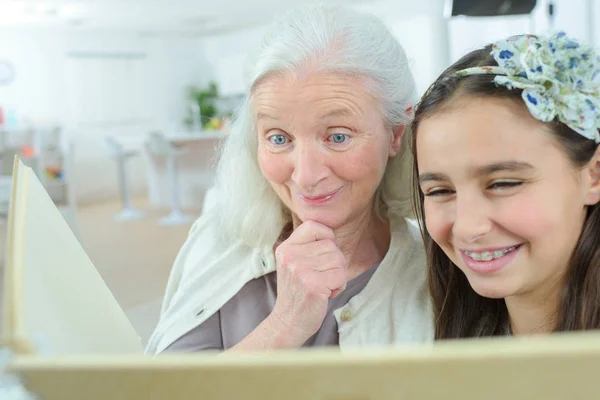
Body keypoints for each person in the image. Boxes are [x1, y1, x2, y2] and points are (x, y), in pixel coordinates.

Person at [145, 5, 433, 354]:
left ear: (396, 134)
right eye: (279, 138)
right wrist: (284, 326)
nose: (306, 176)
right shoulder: (217, 241)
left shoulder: (434, 272)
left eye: (338, 136)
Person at [410, 31, 600, 339]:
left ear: (594, 175)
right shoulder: (424, 338)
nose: (468, 228)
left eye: (503, 184)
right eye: (440, 191)